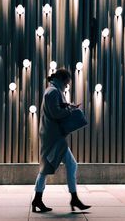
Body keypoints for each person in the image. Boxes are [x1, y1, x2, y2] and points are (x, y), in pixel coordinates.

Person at [31, 68, 91, 213]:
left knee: (49, 167)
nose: (67, 86)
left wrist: (68, 105)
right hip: (54, 137)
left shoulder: (53, 90)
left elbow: (56, 108)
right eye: (67, 83)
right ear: (63, 80)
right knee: (63, 165)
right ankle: (72, 199)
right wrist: (71, 111)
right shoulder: (52, 92)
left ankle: (38, 199)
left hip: (53, 135)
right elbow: (56, 113)